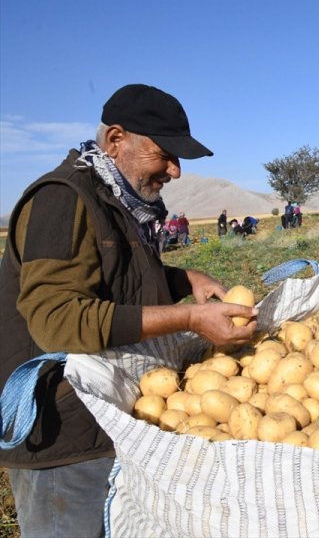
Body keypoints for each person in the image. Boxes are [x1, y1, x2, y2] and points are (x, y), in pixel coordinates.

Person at [0, 84, 259, 537]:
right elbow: (58, 319)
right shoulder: (61, 200)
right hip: (63, 433)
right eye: (165, 155)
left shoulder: (120, 202)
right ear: (116, 140)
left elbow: (116, 279)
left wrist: (184, 280)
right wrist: (188, 319)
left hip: (109, 417)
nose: (175, 171)